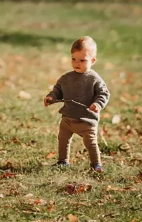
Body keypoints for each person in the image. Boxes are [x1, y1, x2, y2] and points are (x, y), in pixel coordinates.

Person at [44, 36, 110, 172]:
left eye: (82, 60)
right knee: (63, 139)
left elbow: (103, 94)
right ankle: (63, 161)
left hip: (87, 119)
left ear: (93, 61)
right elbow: (58, 90)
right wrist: (51, 97)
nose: (77, 63)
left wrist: (97, 104)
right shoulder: (66, 78)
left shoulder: (94, 79)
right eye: (73, 59)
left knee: (90, 143)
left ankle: (96, 164)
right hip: (68, 117)